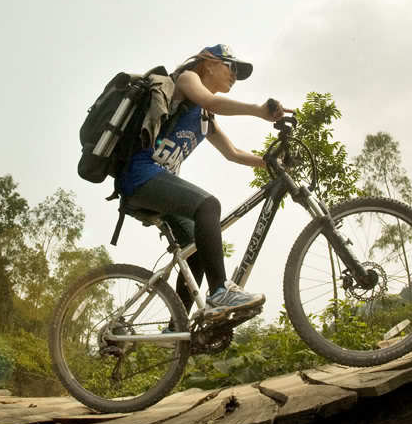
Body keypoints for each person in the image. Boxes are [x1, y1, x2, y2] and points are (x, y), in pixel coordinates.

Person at [117, 44, 290, 318]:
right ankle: (220, 291)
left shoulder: (205, 116)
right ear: (209, 63)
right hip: (141, 175)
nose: (235, 76)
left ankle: (177, 327)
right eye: (231, 68)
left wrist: (269, 161)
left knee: (196, 250)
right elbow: (211, 101)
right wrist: (258, 110)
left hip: (159, 183)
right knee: (209, 206)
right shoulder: (186, 80)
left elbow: (233, 153)